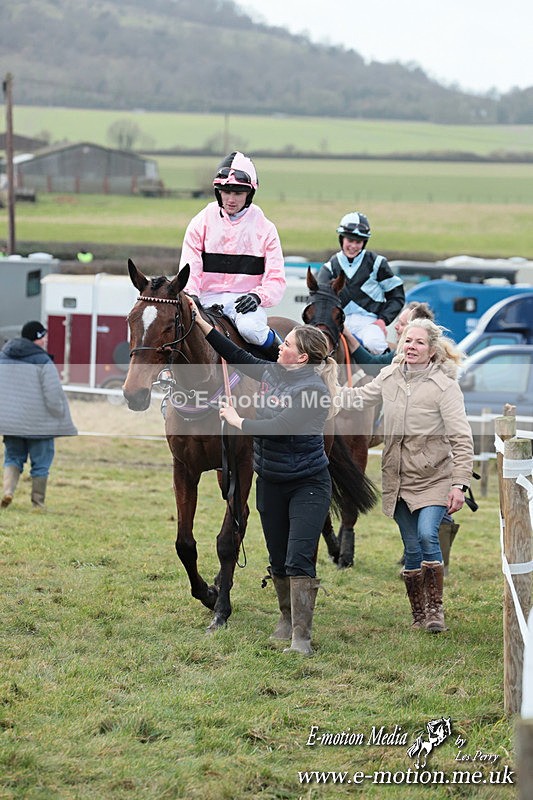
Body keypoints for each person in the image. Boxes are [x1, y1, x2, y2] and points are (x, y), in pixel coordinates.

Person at [188, 297, 338, 655]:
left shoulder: (312, 389)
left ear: (301, 357)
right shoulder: (273, 372)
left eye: (285, 344)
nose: (279, 345)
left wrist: (237, 420)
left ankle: (302, 637)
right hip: (270, 480)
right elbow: (237, 355)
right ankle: (286, 619)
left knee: (299, 557)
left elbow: (282, 427)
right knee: (277, 556)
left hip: (308, 484)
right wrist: (201, 322)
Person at [339, 318, 474, 633]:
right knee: (412, 547)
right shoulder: (389, 376)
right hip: (398, 478)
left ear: (431, 350)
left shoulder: (445, 387)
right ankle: (419, 614)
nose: (411, 347)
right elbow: (357, 399)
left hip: (435, 477)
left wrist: (459, 484)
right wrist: (327, 389)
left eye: (419, 342)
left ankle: (435, 611)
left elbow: (462, 439)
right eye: (408, 341)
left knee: (428, 534)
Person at [179, 152, 286, 360]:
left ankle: (284, 367)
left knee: (251, 330)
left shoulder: (266, 229)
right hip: (204, 299)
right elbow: (189, 269)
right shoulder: (200, 222)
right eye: (226, 192)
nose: (230, 199)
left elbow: (276, 280)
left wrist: (257, 296)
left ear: (249, 194)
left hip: (244, 302)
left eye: (237, 193)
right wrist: (191, 296)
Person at [0, 320, 77, 510]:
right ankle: (37, 503)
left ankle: (8, 491)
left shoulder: (3, 356)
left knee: (12, 458)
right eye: (44, 337)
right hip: (39, 424)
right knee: (41, 463)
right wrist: (58, 412)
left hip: (12, 423)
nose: (46, 340)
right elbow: (52, 395)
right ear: (36, 338)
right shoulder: (43, 361)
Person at [317, 211, 405, 355]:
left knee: (374, 344)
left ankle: (386, 374)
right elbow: (319, 300)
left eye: (358, 242)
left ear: (364, 243)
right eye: (349, 241)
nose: (353, 246)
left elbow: (397, 296)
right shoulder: (329, 267)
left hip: (369, 323)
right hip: (339, 323)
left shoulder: (377, 263)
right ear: (342, 239)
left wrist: (383, 320)